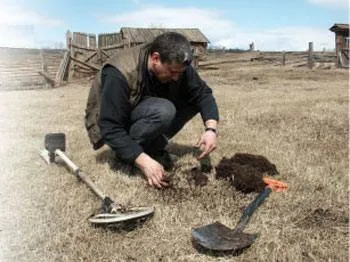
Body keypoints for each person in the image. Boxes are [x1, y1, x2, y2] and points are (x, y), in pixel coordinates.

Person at [87, 32, 219, 188]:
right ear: (156, 58)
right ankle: (127, 155)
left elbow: (203, 94)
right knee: (164, 110)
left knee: (192, 100)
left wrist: (211, 129)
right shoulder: (120, 72)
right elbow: (109, 126)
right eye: (172, 72)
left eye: (180, 72)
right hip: (117, 122)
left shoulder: (176, 64)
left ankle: (153, 148)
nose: (177, 77)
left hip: (143, 110)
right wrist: (143, 161)